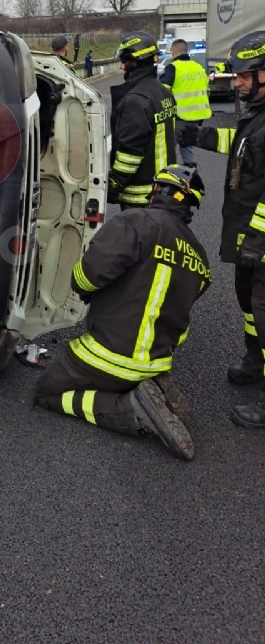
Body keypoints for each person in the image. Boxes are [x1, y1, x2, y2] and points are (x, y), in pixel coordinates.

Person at [35, 165, 210, 460]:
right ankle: (150, 387)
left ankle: (131, 409)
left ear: (157, 190)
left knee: (46, 392)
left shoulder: (135, 222)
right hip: (156, 361)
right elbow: (181, 329)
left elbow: (85, 278)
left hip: (108, 356)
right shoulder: (200, 258)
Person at [177, 30, 265, 427]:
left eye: (246, 76)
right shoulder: (256, 113)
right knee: (249, 304)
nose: (239, 83)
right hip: (248, 234)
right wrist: (202, 136)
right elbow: (244, 146)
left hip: (260, 238)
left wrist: (258, 240)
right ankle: (256, 359)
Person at [109, 31, 176, 207]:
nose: (121, 67)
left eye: (124, 61)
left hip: (141, 196)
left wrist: (114, 183)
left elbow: (130, 152)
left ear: (135, 62)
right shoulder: (163, 91)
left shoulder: (136, 100)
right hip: (164, 188)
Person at [159, 39, 211, 166]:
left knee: (167, 149)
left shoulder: (173, 67)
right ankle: (191, 172)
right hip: (199, 116)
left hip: (181, 116)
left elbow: (162, 90)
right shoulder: (198, 67)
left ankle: (168, 174)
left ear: (173, 53)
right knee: (186, 146)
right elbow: (206, 88)